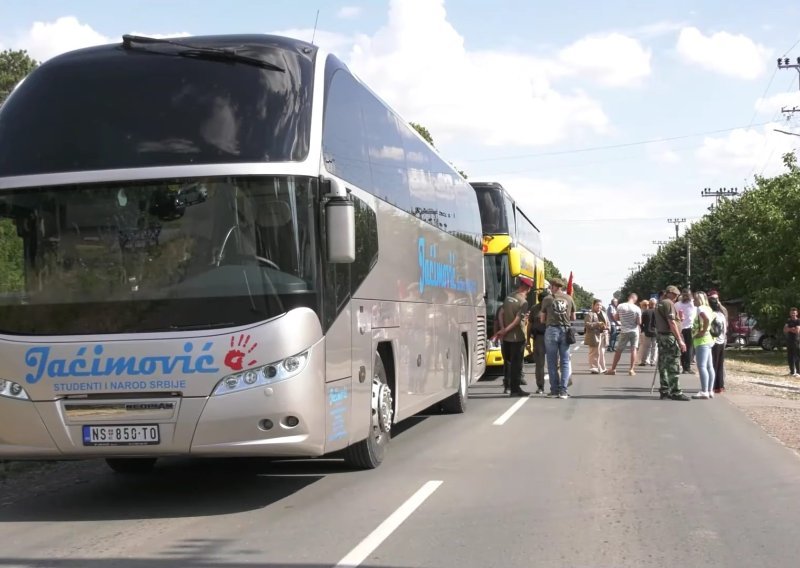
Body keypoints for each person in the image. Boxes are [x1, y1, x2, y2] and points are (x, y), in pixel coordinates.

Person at [491, 275, 534, 397]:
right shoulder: (523, 302)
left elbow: (501, 313)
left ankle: (507, 386)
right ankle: (515, 390)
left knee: (508, 362)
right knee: (517, 364)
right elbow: (517, 320)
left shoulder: (508, 297)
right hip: (517, 337)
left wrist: (502, 328)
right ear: (528, 288)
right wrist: (506, 330)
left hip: (506, 338)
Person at [540, 277, 576, 399]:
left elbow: (542, 319)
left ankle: (554, 390)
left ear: (553, 286)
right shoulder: (569, 298)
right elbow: (573, 317)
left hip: (551, 330)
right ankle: (563, 391)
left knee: (551, 362)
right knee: (565, 361)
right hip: (565, 331)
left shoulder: (547, 299)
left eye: (551, 286)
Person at [654, 285, 690, 401]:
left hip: (662, 336)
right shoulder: (668, 303)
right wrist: (680, 340)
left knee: (663, 364)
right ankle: (676, 391)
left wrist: (680, 319)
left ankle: (665, 390)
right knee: (674, 364)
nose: (676, 297)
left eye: (677, 295)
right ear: (669, 293)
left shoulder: (660, 303)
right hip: (669, 337)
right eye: (674, 295)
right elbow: (671, 322)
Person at [605, 293, 641, 376]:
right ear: (635, 299)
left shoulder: (620, 306)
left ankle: (613, 369)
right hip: (634, 331)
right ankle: (631, 370)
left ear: (629, 297)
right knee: (633, 349)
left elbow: (616, 318)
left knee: (619, 350)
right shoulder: (637, 308)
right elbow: (639, 322)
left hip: (624, 330)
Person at [691, 291, 715, 399]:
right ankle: (710, 390)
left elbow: (706, 319)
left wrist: (702, 331)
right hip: (709, 339)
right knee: (709, 366)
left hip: (702, 340)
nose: (693, 301)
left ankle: (704, 391)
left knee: (702, 366)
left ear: (699, 300)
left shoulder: (700, 308)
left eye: (695, 299)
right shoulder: (708, 308)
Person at [526, 290, 549, 394]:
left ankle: (556, 386)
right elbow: (530, 324)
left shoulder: (551, 308)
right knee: (539, 364)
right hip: (538, 338)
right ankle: (540, 386)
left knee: (554, 363)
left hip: (550, 337)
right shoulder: (534, 308)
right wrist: (528, 340)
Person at [708, 290, 727, 393]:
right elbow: (725, 329)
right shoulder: (722, 315)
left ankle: (712, 385)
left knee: (712, 365)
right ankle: (720, 386)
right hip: (721, 341)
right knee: (720, 364)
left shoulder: (711, 314)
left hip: (713, 342)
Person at [584, 298, 609, 374]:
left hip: (603, 335)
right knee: (594, 352)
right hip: (594, 335)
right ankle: (594, 368)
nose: (599, 307)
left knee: (602, 352)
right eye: (597, 305)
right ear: (593, 305)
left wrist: (607, 328)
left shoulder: (604, 313)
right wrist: (597, 324)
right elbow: (587, 324)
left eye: (600, 305)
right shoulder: (590, 314)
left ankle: (602, 368)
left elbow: (608, 323)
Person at [676, 289, 697, 374]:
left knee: (683, 347)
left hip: (681, 328)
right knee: (689, 348)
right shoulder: (692, 304)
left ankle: (684, 366)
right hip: (689, 328)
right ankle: (687, 367)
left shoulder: (677, 304)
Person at [639, 298, 658, 366]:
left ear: (649, 304)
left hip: (647, 331)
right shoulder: (658, 312)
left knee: (646, 347)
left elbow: (641, 322)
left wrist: (643, 329)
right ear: (655, 304)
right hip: (655, 332)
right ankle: (652, 361)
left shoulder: (646, 312)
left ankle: (644, 361)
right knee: (654, 347)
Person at [783, 307, 800, 377]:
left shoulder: (798, 321)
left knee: (796, 356)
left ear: (797, 313)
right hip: (789, 340)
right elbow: (784, 330)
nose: (793, 314)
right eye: (792, 313)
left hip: (796, 340)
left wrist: (789, 329)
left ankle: (798, 372)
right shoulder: (788, 321)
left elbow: (797, 331)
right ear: (790, 313)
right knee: (789, 356)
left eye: (794, 313)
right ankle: (792, 372)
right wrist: (791, 329)